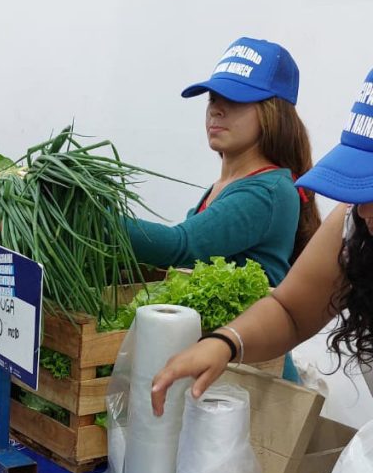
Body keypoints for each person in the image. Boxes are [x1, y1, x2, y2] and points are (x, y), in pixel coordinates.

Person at [151, 66, 373, 417]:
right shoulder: (352, 224)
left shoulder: (268, 191)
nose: (363, 211)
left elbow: (180, 243)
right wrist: (225, 342)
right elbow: (290, 312)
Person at [126, 37, 321, 287]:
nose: (216, 110)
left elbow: (180, 246)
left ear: (272, 112)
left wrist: (98, 216)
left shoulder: (267, 192)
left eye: (235, 99)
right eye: (213, 99)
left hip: (242, 327)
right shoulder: (227, 185)